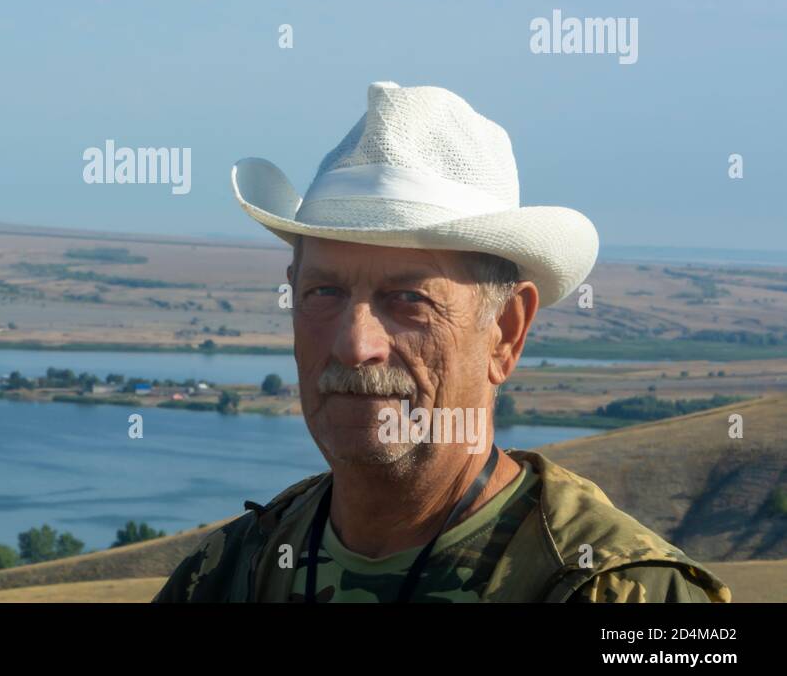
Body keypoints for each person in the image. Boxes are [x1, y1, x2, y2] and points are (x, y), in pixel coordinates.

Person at [153, 81, 730, 603]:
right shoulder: (228, 575)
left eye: (408, 300)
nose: (356, 346)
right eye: (324, 292)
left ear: (506, 333)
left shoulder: (622, 594)